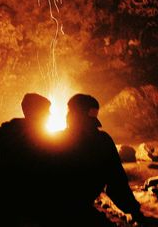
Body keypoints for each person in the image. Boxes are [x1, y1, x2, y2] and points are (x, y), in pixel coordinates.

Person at [56, 93, 145, 226]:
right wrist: (134, 211)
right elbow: (116, 183)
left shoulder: (56, 141)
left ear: (75, 116)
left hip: (57, 212)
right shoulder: (102, 141)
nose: (66, 115)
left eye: (69, 111)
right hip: (76, 212)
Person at [0, 93, 51, 225]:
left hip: (5, 189)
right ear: (37, 112)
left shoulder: (7, 131)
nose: (50, 114)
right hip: (30, 193)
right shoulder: (43, 137)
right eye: (47, 111)